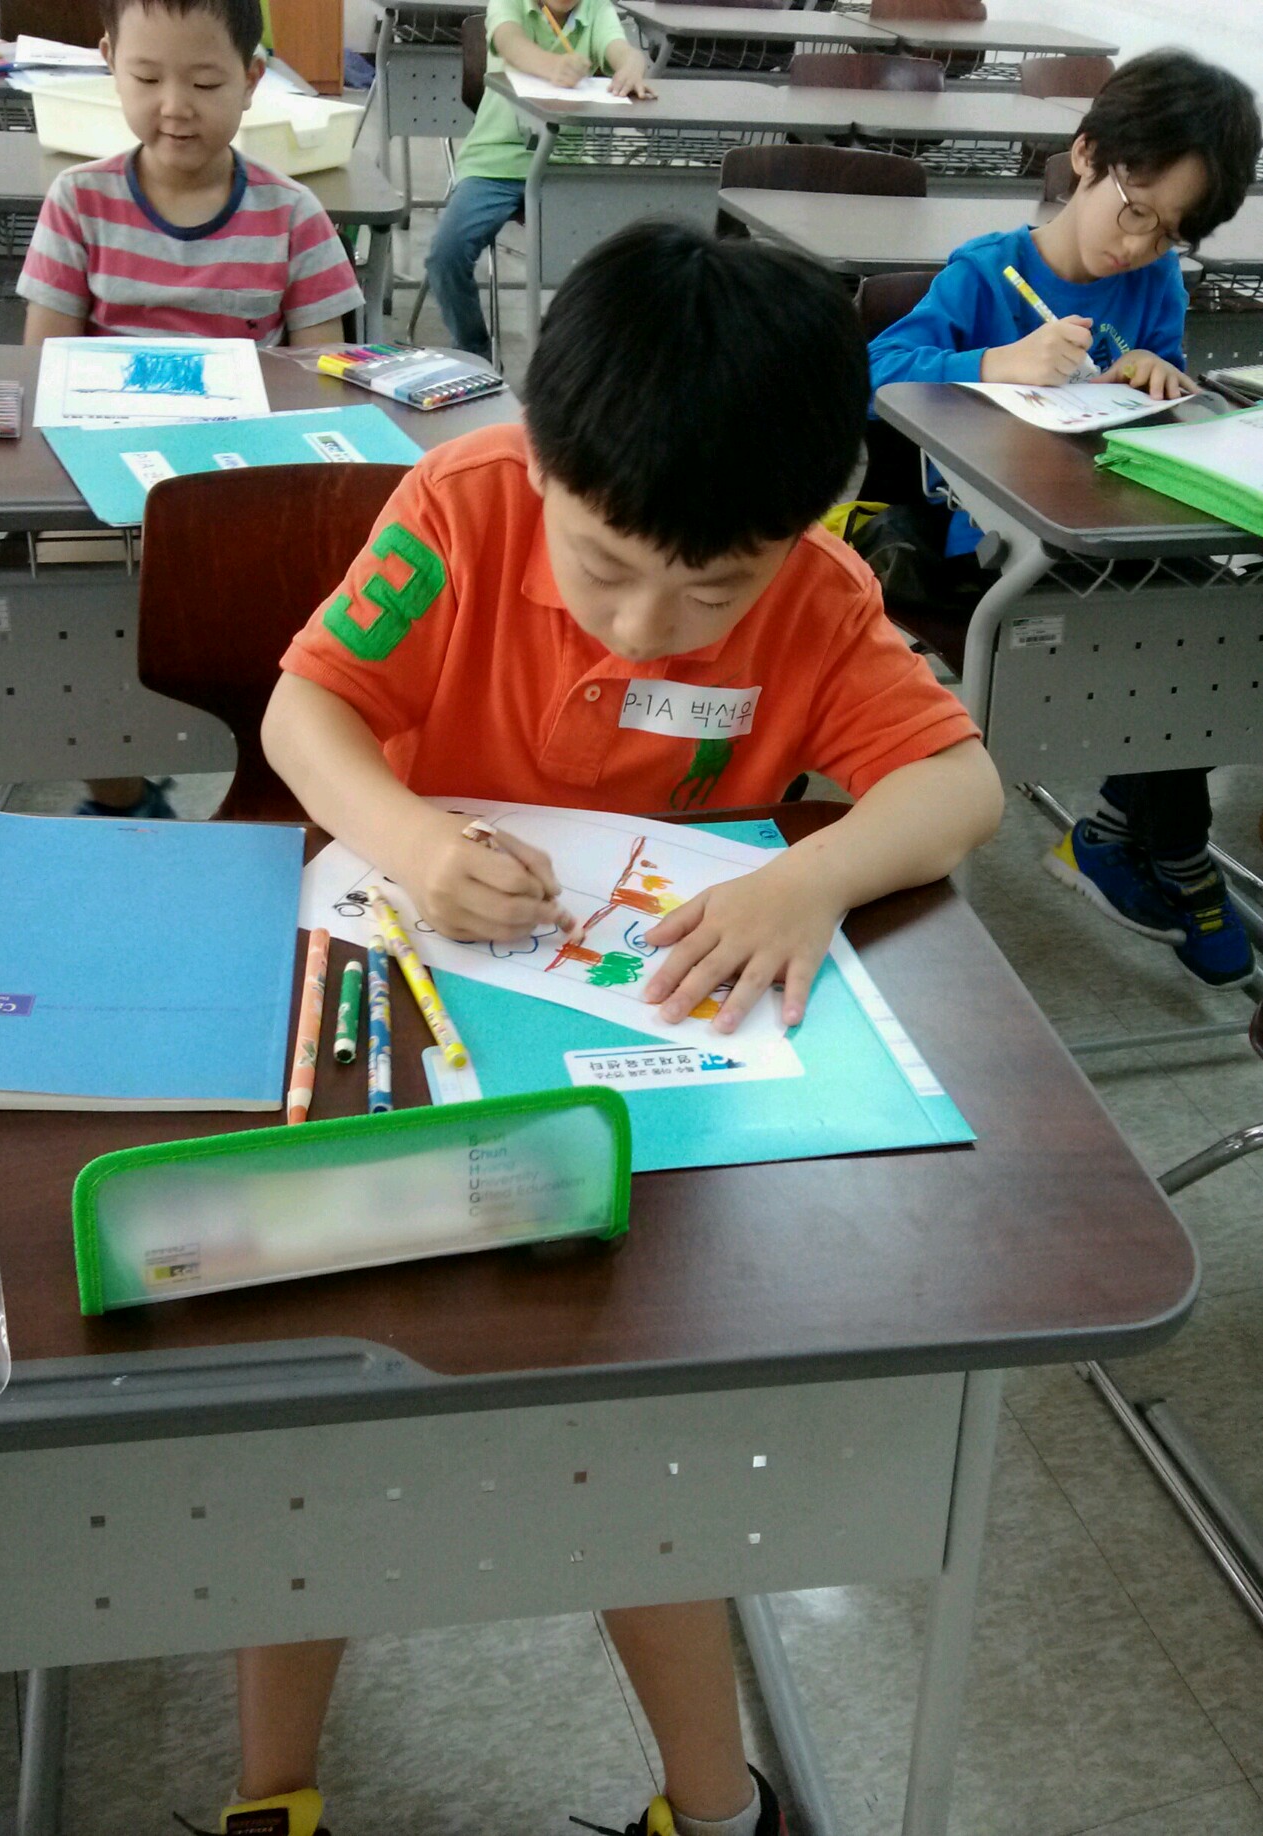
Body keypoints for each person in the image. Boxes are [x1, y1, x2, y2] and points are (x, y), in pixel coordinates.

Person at [220, 220, 1004, 1836]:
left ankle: (713, 1808)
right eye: (602, 570)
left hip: (651, 1083)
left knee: (642, 1451)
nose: (646, 628)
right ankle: (270, 1793)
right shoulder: (462, 506)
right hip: (407, 1016)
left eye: (710, 588)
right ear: (542, 466)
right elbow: (309, 708)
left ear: (808, 523)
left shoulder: (817, 595)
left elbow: (959, 784)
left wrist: (811, 878)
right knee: (313, 1437)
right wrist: (414, 839)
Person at [868, 50, 1262, 989]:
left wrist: (1156, 375)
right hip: (992, 542)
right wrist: (993, 365)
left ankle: (1128, 832)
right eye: (1135, 212)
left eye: (1169, 235)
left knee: (1203, 628)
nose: (1139, 248)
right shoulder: (987, 273)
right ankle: (1168, 848)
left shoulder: (1154, 284)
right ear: (1086, 156)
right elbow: (876, 371)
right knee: (1161, 641)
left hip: (1109, 530)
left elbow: (1151, 386)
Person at [17, 0, 363, 820]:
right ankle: (121, 793)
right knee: (54, 613)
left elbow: (322, 382)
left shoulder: (292, 217)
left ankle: (278, 796)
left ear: (251, 78)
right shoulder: (78, 202)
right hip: (105, 492)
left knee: (316, 609)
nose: (175, 106)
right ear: (110, 61)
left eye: (205, 83)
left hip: (243, 488)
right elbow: (43, 373)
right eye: (146, 77)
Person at [424, 0, 652, 359]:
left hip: (563, 166)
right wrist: (553, 66)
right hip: (495, 162)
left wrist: (632, 64)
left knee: (613, 258)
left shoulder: (595, 9)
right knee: (446, 254)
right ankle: (473, 351)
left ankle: (580, 357)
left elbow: (618, 48)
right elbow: (510, 42)